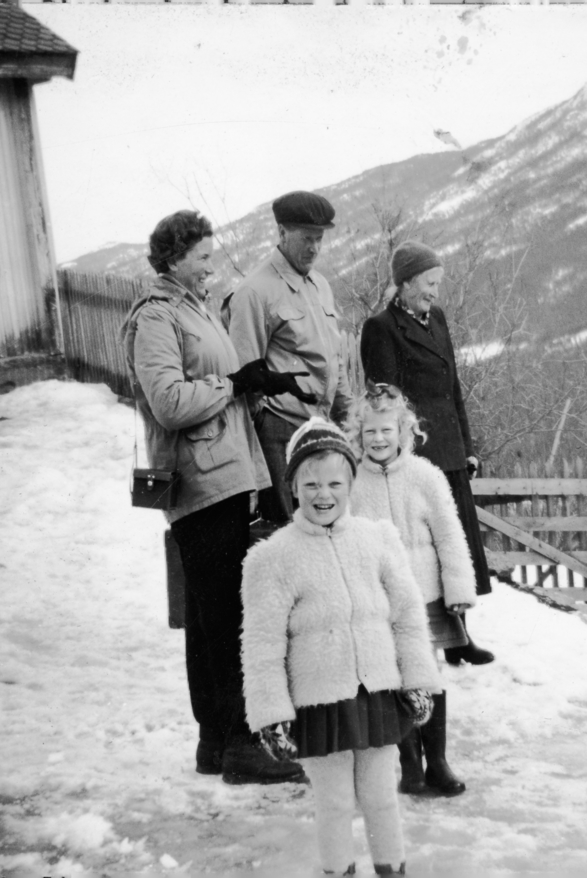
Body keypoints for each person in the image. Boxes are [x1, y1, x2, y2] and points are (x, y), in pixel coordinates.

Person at [121, 209, 315, 785]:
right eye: (203, 256)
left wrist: (251, 380)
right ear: (174, 257)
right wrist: (231, 384)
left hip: (225, 473)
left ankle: (214, 743)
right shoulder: (157, 317)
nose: (211, 265)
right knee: (226, 616)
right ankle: (240, 746)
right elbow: (169, 402)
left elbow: (213, 381)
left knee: (209, 619)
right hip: (201, 480)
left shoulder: (193, 307)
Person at [240, 418, 442, 876]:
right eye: (310, 484)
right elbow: (262, 645)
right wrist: (272, 714)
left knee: (380, 798)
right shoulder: (272, 558)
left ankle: (392, 870)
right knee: (333, 803)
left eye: (334, 482)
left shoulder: (377, 540)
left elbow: (408, 616)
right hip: (318, 704)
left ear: (351, 482)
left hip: (377, 694)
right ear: (293, 487)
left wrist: (418, 679)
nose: (323, 494)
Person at [360, 240, 496, 668]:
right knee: (423, 550)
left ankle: (458, 636)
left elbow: (453, 388)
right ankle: (423, 638)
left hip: (450, 449)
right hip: (418, 453)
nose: (436, 292)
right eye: (429, 282)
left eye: (438, 283)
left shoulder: (436, 319)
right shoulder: (380, 328)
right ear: (405, 282)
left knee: (455, 547)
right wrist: (402, 450)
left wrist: (468, 447)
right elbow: (387, 401)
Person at [346, 385, 478, 797]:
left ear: (404, 431)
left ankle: (437, 762)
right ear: (358, 435)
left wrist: (459, 587)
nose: (379, 439)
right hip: (381, 601)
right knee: (393, 679)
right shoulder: (350, 482)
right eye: (370, 433)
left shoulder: (426, 476)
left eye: (387, 430)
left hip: (426, 597)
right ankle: (409, 766)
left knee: (427, 675)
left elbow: (450, 534)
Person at [223, 190, 354, 525]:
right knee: (288, 531)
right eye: (306, 238)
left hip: (320, 427)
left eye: (319, 239)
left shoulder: (320, 285)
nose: (314, 248)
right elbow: (244, 377)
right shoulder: (255, 291)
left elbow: (333, 357)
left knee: (324, 526)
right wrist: (258, 443)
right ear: (281, 233)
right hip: (279, 430)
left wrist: (348, 414)